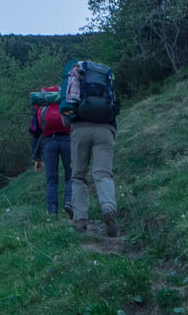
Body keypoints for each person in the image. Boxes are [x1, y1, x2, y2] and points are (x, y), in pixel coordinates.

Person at [61, 59, 121, 237]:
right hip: (105, 129)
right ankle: (109, 209)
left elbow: (67, 109)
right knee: (103, 174)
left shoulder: (75, 75)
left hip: (80, 130)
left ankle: (80, 220)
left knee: (78, 176)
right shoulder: (105, 78)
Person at [28, 86, 71, 216]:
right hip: (67, 140)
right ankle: (70, 202)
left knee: (51, 180)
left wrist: (36, 158)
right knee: (71, 176)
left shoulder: (41, 106)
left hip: (48, 143)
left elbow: (35, 133)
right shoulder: (64, 102)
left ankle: (52, 211)